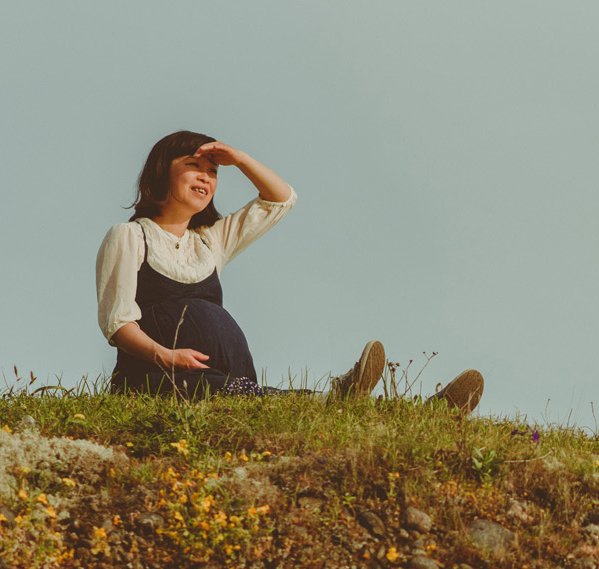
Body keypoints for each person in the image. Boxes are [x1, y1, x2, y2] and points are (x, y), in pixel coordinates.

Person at [95, 130, 484, 410]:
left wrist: (241, 159)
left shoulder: (210, 241)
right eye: (193, 167)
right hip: (155, 380)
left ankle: (424, 413)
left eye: (213, 172)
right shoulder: (130, 237)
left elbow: (280, 198)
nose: (205, 177)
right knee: (282, 403)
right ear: (162, 173)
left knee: (265, 400)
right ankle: (387, 404)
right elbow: (118, 322)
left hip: (222, 376)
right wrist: (166, 355)